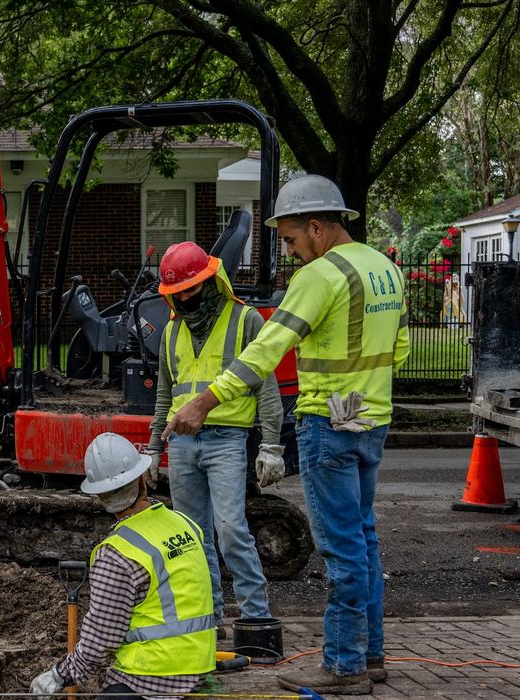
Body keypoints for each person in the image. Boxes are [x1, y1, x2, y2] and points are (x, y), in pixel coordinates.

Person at [163, 174, 409, 695]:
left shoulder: (320, 276)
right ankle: (372, 655)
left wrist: (205, 401)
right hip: (372, 419)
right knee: (363, 539)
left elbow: (265, 353)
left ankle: (343, 667)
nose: (293, 252)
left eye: (293, 240)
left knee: (341, 549)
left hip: (328, 423)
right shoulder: (386, 270)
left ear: (317, 227)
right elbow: (400, 351)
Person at [146, 241, 286, 628]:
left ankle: (256, 619)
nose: (186, 299)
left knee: (231, 531)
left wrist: (272, 446)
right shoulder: (171, 332)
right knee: (193, 539)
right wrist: (153, 450)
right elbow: (164, 396)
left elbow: (267, 391)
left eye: (192, 289)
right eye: (178, 293)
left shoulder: (246, 321)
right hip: (182, 444)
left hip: (226, 440)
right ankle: (208, 621)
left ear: (210, 281)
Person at [28, 432, 216, 700]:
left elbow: (101, 640)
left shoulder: (117, 553)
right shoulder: (186, 524)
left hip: (153, 675)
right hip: (199, 666)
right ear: (142, 479)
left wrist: (59, 676)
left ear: (100, 496)